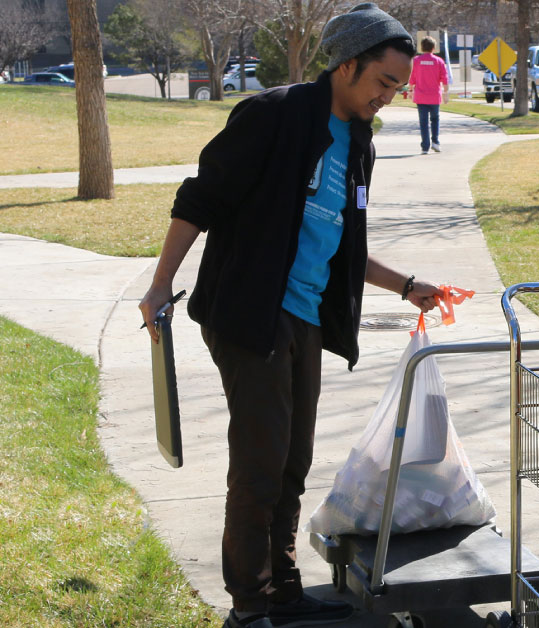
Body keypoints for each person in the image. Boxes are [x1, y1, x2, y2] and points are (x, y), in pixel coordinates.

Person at [136, 4, 440, 627]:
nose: (389, 97)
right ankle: (248, 601)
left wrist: (407, 286)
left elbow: (344, 243)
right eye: (383, 82)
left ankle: (281, 588)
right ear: (347, 65)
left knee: (294, 458)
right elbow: (201, 197)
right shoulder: (273, 116)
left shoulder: (359, 143)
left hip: (302, 314)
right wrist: (161, 281)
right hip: (251, 310)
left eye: (399, 88)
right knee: (261, 460)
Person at [409, 35, 449, 154]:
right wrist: (446, 93)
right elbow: (445, 79)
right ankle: (435, 142)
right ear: (434, 47)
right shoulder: (439, 61)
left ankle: (425, 146)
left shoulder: (416, 61)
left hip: (421, 96)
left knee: (423, 122)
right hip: (434, 96)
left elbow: (412, 78)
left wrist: (411, 90)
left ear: (422, 47)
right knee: (435, 120)